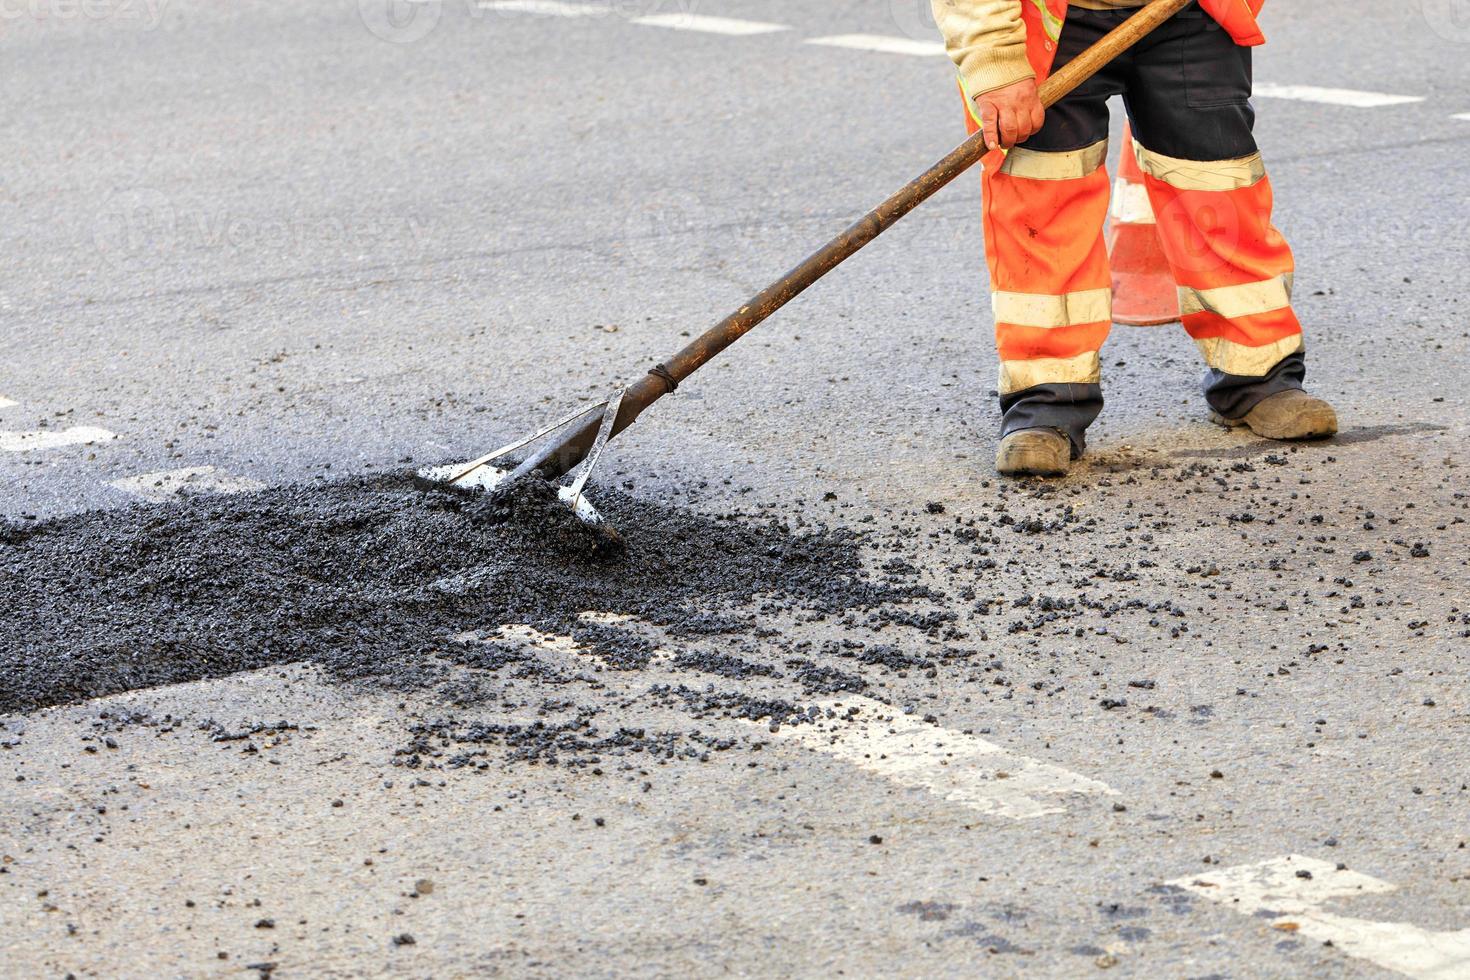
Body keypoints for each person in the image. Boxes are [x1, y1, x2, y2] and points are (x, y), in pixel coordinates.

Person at [932, 0, 1338, 476]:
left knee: (1218, 190)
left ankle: (1259, 376)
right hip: (1051, 26)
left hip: (1189, 15)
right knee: (1043, 210)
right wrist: (996, 64)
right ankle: (1045, 401)